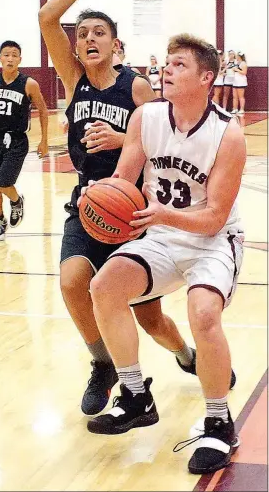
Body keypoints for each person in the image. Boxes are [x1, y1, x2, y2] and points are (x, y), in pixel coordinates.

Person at [39, 0, 211, 418]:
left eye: (98, 33)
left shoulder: (134, 86)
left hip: (133, 209)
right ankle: (103, 365)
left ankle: (184, 354)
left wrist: (122, 142)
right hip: (90, 201)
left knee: (151, 318)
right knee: (73, 279)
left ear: (116, 45)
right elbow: (47, 18)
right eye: (83, 34)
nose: (87, 39)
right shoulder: (72, 81)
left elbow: (166, 143)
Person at [86, 33, 246, 475]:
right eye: (166, 63)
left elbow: (214, 217)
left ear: (206, 77)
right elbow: (124, 176)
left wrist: (158, 215)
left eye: (178, 64)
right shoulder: (147, 117)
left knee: (204, 313)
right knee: (104, 287)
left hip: (212, 241)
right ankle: (136, 396)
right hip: (160, 231)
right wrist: (101, 195)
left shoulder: (227, 133)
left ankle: (218, 421)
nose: (165, 70)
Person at [0, 40, 49, 241]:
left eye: (14, 55)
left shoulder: (29, 83)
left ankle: (16, 201)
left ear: (20, 59)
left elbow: (44, 111)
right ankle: (0, 220)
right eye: (6, 54)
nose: (10, 58)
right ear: (0, 58)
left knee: (4, 183)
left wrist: (44, 140)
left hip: (17, 140)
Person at [233, 51, 248, 117]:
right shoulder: (236, 63)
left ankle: (242, 109)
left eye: (237, 56)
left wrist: (236, 70)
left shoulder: (243, 63)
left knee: (241, 96)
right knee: (234, 96)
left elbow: (244, 72)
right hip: (235, 81)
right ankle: (235, 109)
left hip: (241, 82)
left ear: (239, 56)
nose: (236, 57)